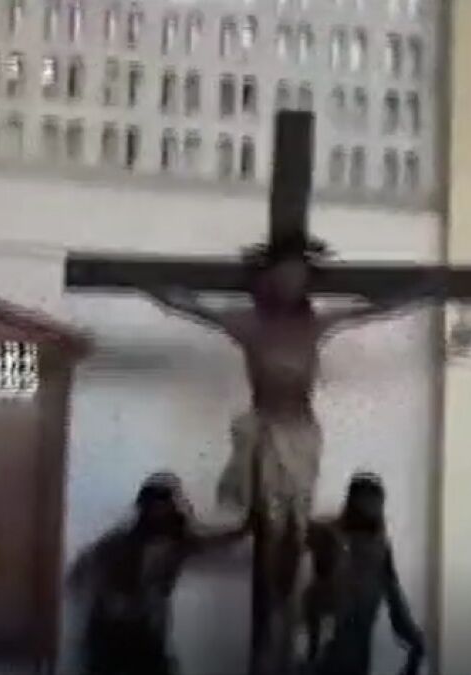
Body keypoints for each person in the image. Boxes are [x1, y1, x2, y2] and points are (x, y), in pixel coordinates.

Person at [146, 236, 441, 675]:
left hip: (301, 437)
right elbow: (193, 307)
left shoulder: (315, 325)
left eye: (298, 276)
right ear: (267, 278)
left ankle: (284, 619)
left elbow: (372, 310)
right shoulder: (249, 325)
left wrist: (423, 290)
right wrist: (146, 284)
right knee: (271, 528)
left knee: (295, 529)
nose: (290, 283)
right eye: (283, 275)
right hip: (266, 433)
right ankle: (272, 623)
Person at [67, 472, 250, 675]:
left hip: (143, 634)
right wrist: (112, 598)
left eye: (165, 504)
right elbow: (81, 572)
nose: (160, 511)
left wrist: (245, 529)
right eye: (156, 505)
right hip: (116, 633)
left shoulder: (175, 542)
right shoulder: (121, 542)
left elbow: (212, 541)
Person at [303, 473, 425, 675]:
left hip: (354, 659)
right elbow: (306, 598)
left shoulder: (379, 547)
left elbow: (395, 600)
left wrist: (415, 642)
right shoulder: (328, 537)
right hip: (322, 656)